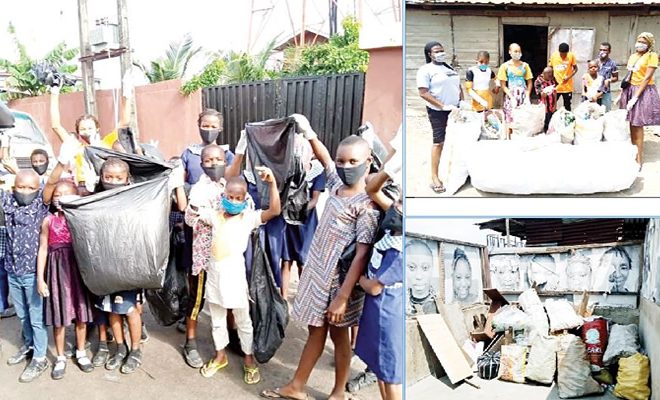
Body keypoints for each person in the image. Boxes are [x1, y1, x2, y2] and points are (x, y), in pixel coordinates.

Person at [261, 115, 380, 400]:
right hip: (318, 275)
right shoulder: (336, 185)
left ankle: (338, 392)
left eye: (353, 162)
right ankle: (296, 386)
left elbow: (361, 254)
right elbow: (325, 158)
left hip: (341, 284)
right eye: (342, 161)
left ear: (368, 162)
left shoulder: (367, 206)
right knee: (316, 331)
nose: (345, 167)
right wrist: (309, 131)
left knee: (339, 336)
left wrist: (343, 297)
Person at [193, 169, 280, 384]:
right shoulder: (214, 215)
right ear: (223, 196)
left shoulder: (248, 218)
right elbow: (193, 209)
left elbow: (274, 211)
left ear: (244, 199)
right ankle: (220, 356)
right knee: (217, 320)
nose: (233, 201)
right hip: (215, 276)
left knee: (243, 320)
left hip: (235, 277)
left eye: (238, 198)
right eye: (229, 197)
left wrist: (272, 184)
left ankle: (249, 359)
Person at [181, 144, 242, 368]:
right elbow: (190, 219)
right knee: (197, 299)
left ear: (225, 162)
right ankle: (190, 342)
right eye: (208, 160)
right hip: (204, 257)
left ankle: (232, 335)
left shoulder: (231, 185)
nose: (213, 163)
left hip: (227, 256)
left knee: (229, 298)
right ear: (202, 164)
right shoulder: (199, 189)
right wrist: (201, 212)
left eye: (218, 160)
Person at [37, 179, 94, 379]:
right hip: (56, 274)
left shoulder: (81, 220)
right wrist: (40, 279)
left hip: (78, 272)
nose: (60, 199)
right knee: (59, 317)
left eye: (66, 195)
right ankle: (60, 357)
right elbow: (43, 249)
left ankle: (81, 352)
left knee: (81, 314)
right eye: (57, 195)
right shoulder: (48, 221)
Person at [354, 167, 403, 399]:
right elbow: (372, 189)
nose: (396, 206)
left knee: (390, 375)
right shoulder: (395, 230)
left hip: (387, 311)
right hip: (380, 310)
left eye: (401, 204)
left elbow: (374, 287)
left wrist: (359, 279)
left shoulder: (401, 249)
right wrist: (389, 170)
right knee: (381, 370)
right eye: (399, 201)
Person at [1, 169, 50, 382]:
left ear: (38, 190)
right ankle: (29, 346)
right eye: (21, 187)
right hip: (13, 271)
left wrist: (63, 161)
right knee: (22, 315)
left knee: (37, 318)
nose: (25, 191)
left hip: (32, 274)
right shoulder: (9, 204)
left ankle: (40, 358)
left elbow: (51, 184)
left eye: (31, 188)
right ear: (14, 188)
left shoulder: (39, 206)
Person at [416, 41, 462, 194]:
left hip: (455, 110)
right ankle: (434, 177)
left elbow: (458, 86)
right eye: (436, 51)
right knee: (439, 143)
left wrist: (461, 101)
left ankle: (454, 172)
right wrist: (442, 106)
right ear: (429, 54)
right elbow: (423, 93)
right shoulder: (425, 70)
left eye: (442, 50)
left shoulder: (449, 68)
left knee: (456, 141)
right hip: (438, 111)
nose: (440, 53)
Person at [280, 159, 326, 300]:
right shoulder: (287, 169)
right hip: (288, 220)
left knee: (303, 261)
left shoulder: (317, 172)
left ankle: (303, 298)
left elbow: (314, 200)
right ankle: (283, 298)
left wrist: (299, 210)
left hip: (306, 222)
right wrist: (288, 210)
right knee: (286, 260)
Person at [619, 32, 660, 166]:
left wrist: (635, 97)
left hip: (643, 90)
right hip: (630, 88)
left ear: (649, 44)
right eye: (639, 41)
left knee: (638, 124)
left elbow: (647, 78)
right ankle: (633, 152)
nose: (640, 44)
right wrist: (621, 92)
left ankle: (639, 159)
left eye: (643, 42)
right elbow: (629, 75)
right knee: (631, 122)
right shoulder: (633, 56)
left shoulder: (652, 56)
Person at [497, 43, 533, 135]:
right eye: (515, 51)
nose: (517, 53)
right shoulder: (505, 66)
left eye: (519, 51)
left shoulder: (525, 66)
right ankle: (509, 137)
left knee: (523, 118)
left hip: (523, 95)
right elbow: (503, 85)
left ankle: (520, 137)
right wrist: (511, 97)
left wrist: (527, 96)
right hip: (511, 95)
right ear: (510, 52)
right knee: (510, 117)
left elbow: (529, 82)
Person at [406, 239, 438, 315]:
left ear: (432, 269)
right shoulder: (400, 301)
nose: (419, 276)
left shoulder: (438, 304)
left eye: (425, 268)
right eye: (411, 267)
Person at [549, 42, 578, 111]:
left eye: (565, 54)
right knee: (552, 104)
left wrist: (568, 77)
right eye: (561, 54)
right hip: (556, 87)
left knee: (567, 106)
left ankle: (567, 117)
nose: (563, 55)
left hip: (567, 87)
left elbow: (576, 69)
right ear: (559, 51)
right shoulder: (554, 56)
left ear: (567, 52)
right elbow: (550, 68)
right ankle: (552, 117)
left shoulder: (571, 56)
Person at [534, 67, 559, 132]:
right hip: (544, 106)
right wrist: (547, 91)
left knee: (552, 122)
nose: (550, 79)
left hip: (552, 104)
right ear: (544, 74)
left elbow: (555, 92)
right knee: (545, 123)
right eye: (548, 76)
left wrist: (555, 104)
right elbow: (541, 95)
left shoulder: (553, 79)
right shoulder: (538, 82)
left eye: (551, 76)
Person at [597, 42, 619, 111]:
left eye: (604, 50)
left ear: (609, 51)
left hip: (605, 92)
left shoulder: (612, 63)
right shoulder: (595, 62)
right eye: (601, 50)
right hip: (594, 92)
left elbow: (616, 78)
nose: (602, 52)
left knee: (606, 112)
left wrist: (609, 80)